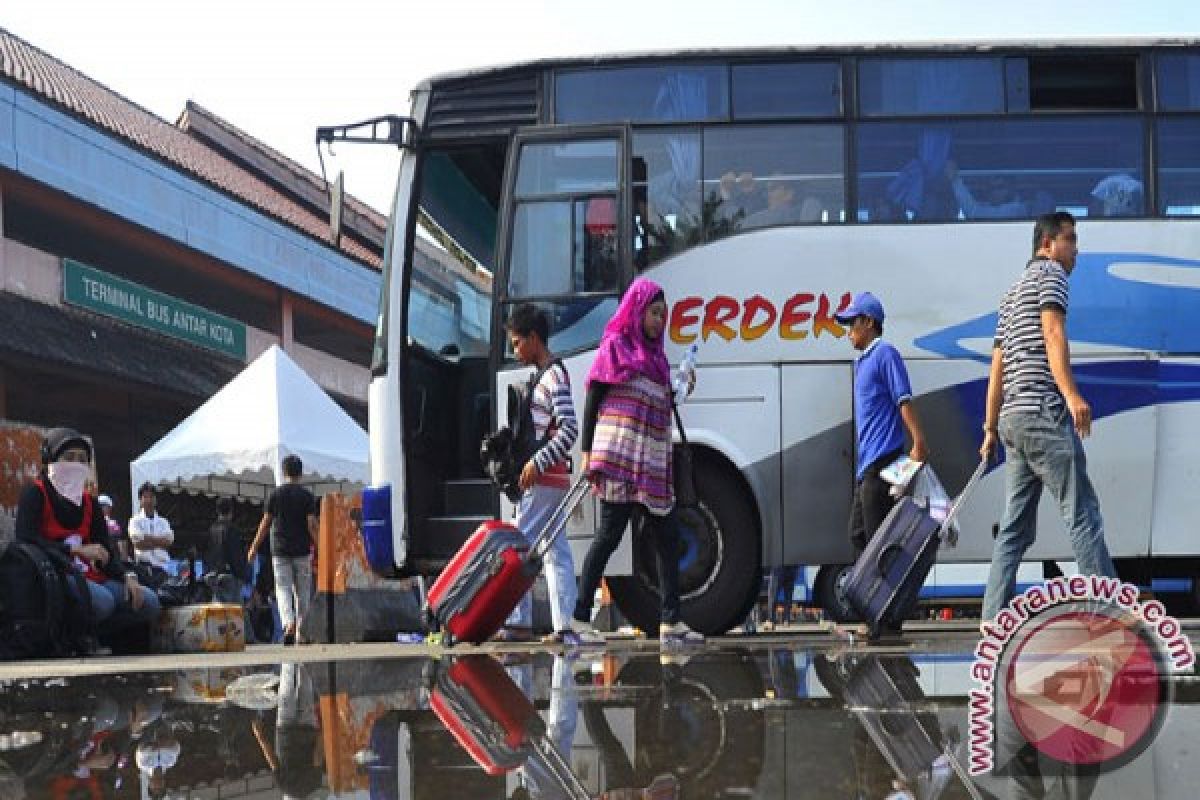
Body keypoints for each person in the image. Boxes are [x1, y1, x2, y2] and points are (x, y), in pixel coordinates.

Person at [980, 211, 1117, 622]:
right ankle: (1110, 613)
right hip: (1042, 412)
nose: (1076, 248)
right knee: (1082, 514)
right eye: (1070, 239)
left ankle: (992, 617)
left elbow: (997, 368)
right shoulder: (1051, 275)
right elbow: (1054, 334)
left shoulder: (1010, 293)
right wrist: (1072, 395)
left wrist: (989, 429)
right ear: (1047, 245)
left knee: (1014, 529)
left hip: (1013, 421)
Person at [572, 277, 704, 646]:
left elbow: (663, 401)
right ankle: (580, 618)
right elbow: (592, 399)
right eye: (654, 313)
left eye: (664, 315)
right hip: (619, 457)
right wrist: (587, 454)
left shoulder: (658, 359)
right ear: (637, 310)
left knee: (667, 536)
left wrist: (682, 385)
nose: (660, 321)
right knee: (609, 536)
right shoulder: (615, 346)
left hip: (652, 459)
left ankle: (671, 621)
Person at [835, 293, 929, 637]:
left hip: (884, 462)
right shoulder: (863, 362)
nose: (847, 331)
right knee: (858, 535)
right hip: (867, 468)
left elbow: (903, 398)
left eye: (851, 323)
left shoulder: (885, 354)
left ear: (869, 323)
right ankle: (876, 615)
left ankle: (885, 621)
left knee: (879, 543)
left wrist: (919, 440)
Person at [14, 428, 160, 645]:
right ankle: (70, 636)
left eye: (82, 459)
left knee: (148, 602)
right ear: (50, 460)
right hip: (53, 577)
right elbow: (25, 539)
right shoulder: (35, 493)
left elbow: (106, 548)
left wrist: (126, 577)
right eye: (68, 457)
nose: (75, 464)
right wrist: (74, 550)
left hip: (90, 577)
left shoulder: (90, 502)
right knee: (103, 602)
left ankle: (91, 635)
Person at [495, 304, 581, 645]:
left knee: (518, 546)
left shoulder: (553, 377)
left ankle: (517, 622)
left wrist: (537, 463)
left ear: (534, 338)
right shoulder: (549, 375)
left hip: (544, 479)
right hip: (553, 479)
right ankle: (564, 626)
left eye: (517, 343)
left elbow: (569, 429)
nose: (515, 351)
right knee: (555, 551)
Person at [248, 455, 318, 645]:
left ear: (283, 472)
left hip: (279, 549)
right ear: (301, 473)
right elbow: (311, 524)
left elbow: (265, 523)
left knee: (283, 589)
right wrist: (319, 546)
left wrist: (254, 547)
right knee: (303, 591)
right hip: (302, 550)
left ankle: (288, 624)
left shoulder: (275, 495)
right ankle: (302, 633)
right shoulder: (307, 496)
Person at [128, 483, 174, 588]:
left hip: (163, 569)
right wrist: (160, 542)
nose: (149, 500)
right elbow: (137, 543)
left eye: (151, 496)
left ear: (156, 499)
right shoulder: (135, 521)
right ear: (140, 500)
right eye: (145, 497)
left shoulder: (163, 521)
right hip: (144, 569)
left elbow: (169, 542)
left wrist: (147, 538)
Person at [205, 497, 250, 604]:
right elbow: (235, 556)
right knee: (233, 615)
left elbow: (207, 553)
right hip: (230, 576)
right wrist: (242, 575)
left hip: (214, 576)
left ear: (217, 511)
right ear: (231, 511)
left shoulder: (212, 529)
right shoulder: (232, 529)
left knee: (218, 612)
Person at [97, 493, 134, 563]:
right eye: (99, 505)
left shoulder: (117, 523)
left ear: (110, 507)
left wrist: (125, 561)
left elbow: (123, 541)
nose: (101, 508)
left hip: (116, 559)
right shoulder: (94, 523)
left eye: (103, 505)